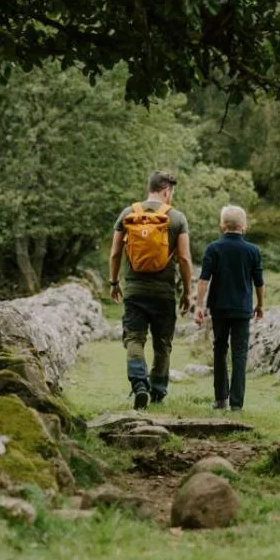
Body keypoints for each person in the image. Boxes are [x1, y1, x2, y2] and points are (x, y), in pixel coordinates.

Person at [109, 170, 193, 409]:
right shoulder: (177, 218)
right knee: (162, 343)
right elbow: (185, 258)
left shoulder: (127, 214)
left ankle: (139, 385)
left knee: (134, 338)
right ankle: (157, 391)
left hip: (135, 290)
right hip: (164, 292)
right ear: (166, 191)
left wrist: (114, 283)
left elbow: (115, 253)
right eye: (171, 193)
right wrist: (187, 292)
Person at [194, 205, 264, 412]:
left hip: (219, 308)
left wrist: (199, 306)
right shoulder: (252, 251)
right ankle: (237, 403)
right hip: (242, 309)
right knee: (240, 353)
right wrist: (260, 305)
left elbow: (203, 280)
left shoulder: (213, 248)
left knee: (219, 350)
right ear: (244, 227)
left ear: (222, 225)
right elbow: (259, 282)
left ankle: (220, 399)